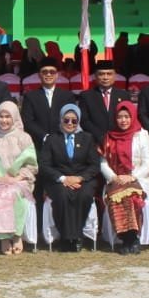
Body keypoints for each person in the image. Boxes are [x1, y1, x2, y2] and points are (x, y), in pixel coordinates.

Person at [39, 102, 100, 253]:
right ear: (60, 120)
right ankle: (66, 238)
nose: (70, 123)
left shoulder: (87, 138)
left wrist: (79, 178)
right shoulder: (52, 139)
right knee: (62, 195)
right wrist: (63, 179)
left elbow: (94, 165)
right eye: (66, 120)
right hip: (58, 179)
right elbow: (44, 165)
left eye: (74, 120)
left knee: (84, 195)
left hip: (82, 179)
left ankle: (77, 236)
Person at [0, 99, 38, 255]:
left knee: (14, 192)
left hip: (19, 180)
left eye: (8, 116)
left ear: (14, 117)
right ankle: (4, 237)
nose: (4, 120)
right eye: (1, 116)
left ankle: (17, 235)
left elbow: (31, 165)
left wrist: (16, 178)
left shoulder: (24, 138)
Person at [98, 100, 149, 255]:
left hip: (137, 179)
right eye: (120, 117)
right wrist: (114, 177)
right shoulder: (109, 136)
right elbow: (103, 162)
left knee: (131, 197)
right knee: (117, 196)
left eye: (127, 117)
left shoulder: (142, 135)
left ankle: (133, 238)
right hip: (115, 180)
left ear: (132, 117)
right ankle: (125, 239)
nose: (123, 120)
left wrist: (132, 177)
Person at [77, 59, 129, 145]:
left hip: (119, 141)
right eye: (101, 74)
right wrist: (101, 137)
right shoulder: (86, 96)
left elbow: (128, 118)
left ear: (115, 76)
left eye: (109, 74)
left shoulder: (124, 95)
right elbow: (84, 120)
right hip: (94, 142)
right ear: (95, 76)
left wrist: (116, 137)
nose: (105, 77)